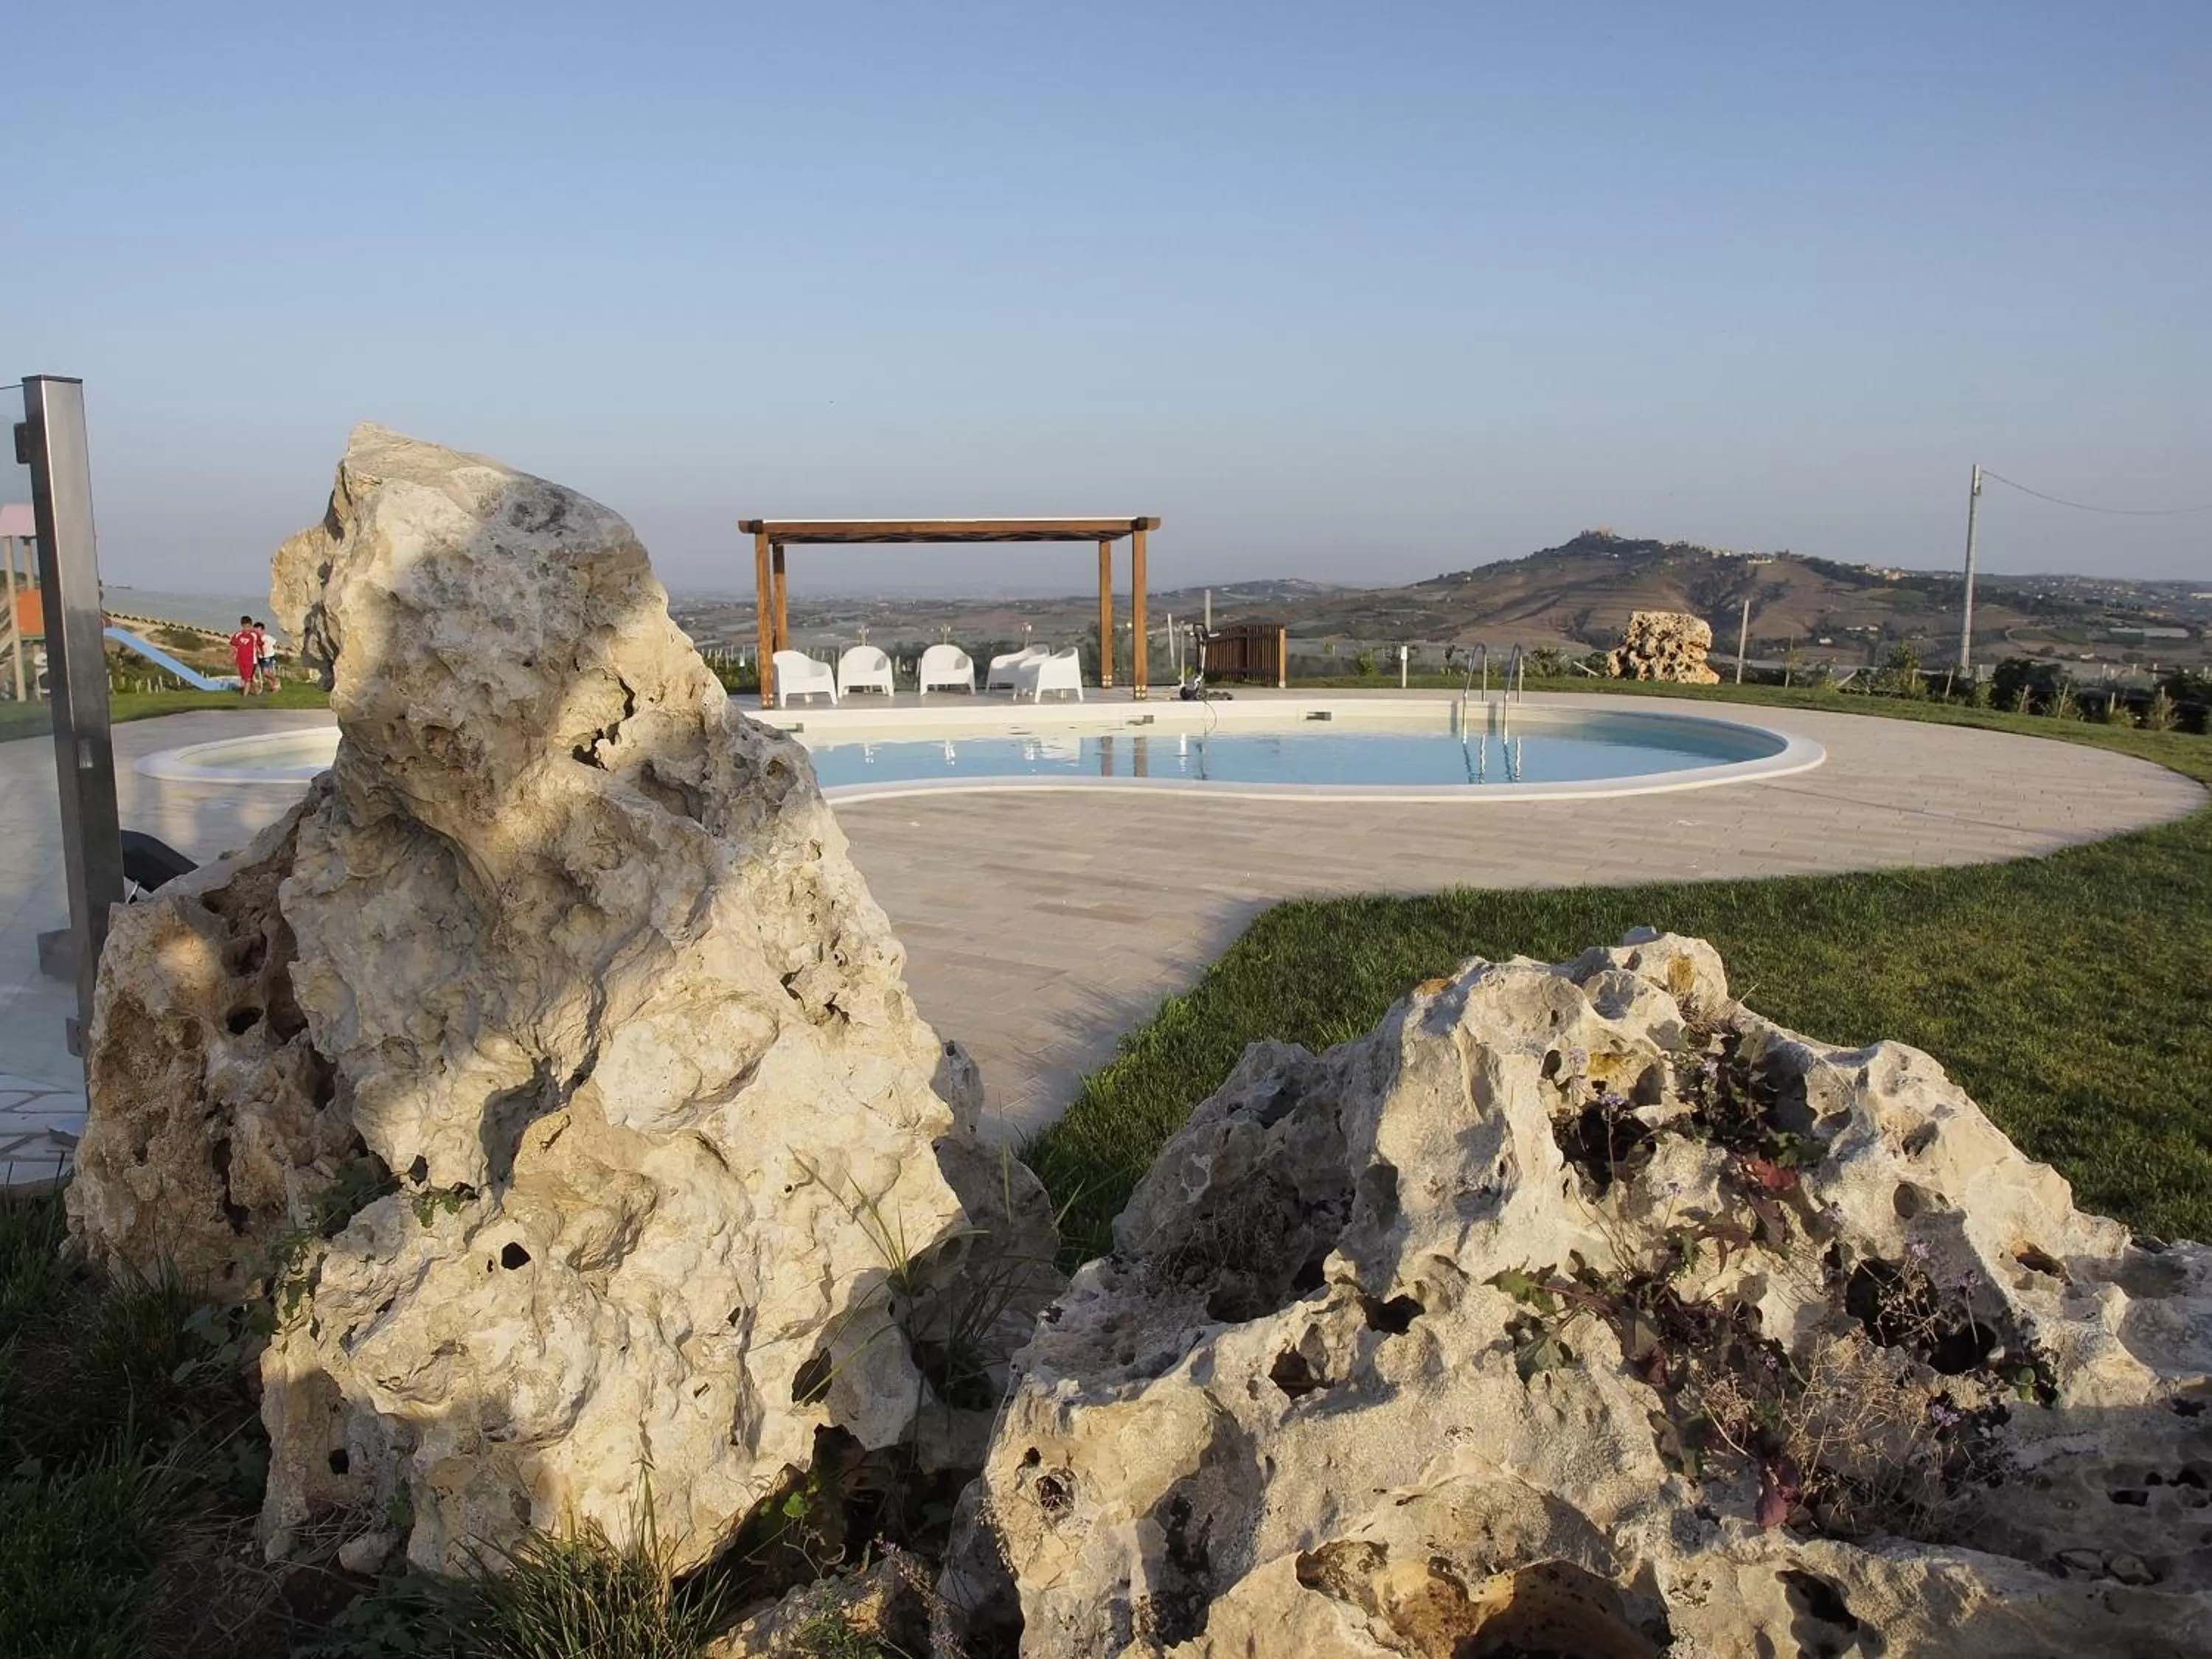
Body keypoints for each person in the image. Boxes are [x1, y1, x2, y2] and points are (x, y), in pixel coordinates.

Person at [229, 615, 260, 695]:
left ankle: (244, 697)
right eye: (245, 627)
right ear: (242, 626)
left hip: (251, 661)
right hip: (240, 660)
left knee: (248, 679)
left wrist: (261, 653)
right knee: (245, 678)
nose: (247, 629)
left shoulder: (255, 635)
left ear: (251, 625)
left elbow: (260, 645)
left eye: (249, 627)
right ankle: (257, 691)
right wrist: (231, 656)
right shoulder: (238, 635)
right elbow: (234, 646)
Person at [254, 621, 280, 693]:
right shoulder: (255, 639)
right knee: (265, 674)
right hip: (260, 657)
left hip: (268, 656)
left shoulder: (268, 638)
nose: (257, 633)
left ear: (263, 630)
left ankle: (276, 680)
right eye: (255, 631)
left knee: (266, 672)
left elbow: (276, 643)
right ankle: (273, 688)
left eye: (258, 631)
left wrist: (272, 649)